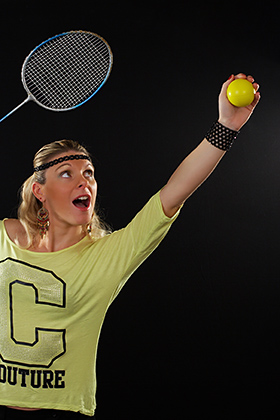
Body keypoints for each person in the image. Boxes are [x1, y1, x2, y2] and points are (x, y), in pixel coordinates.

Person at [0, 73, 260, 419]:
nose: (84, 181)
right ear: (39, 191)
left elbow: (175, 190)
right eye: (67, 173)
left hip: (59, 411)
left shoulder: (110, 254)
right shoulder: (5, 236)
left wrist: (226, 126)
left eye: (88, 173)